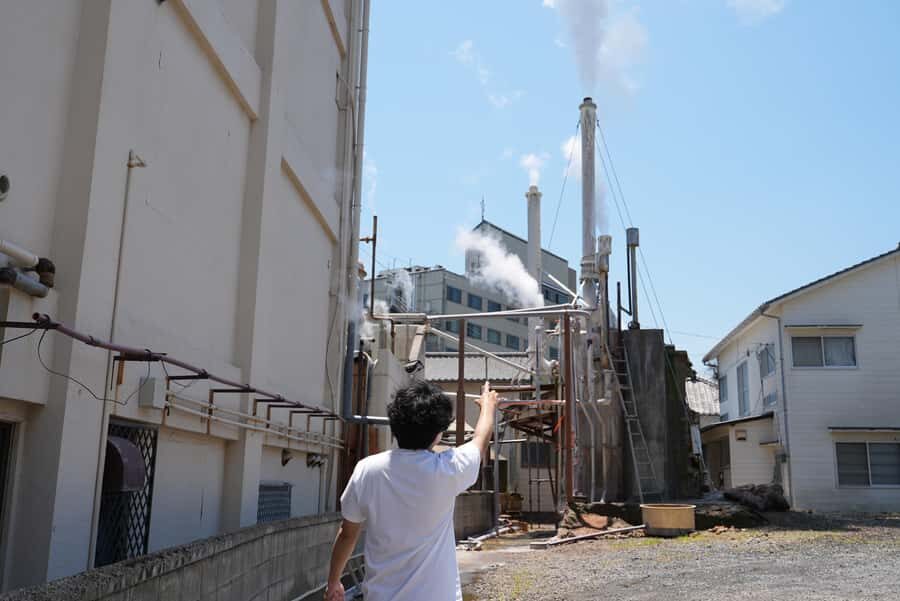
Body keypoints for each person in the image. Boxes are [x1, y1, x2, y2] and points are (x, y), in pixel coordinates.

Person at [325, 380, 498, 601]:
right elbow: (480, 440)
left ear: (395, 425)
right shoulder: (447, 469)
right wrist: (488, 406)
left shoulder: (368, 470)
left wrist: (333, 582)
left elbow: (348, 533)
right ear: (437, 433)